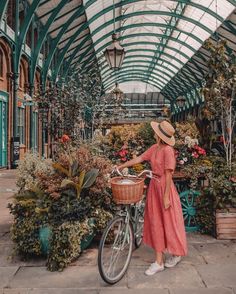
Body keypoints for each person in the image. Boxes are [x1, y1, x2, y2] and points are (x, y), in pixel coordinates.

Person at [117, 120, 187, 276]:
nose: (154, 133)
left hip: (164, 188)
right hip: (154, 187)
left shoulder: (168, 150)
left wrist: (166, 196)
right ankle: (159, 261)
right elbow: (140, 159)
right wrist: (121, 166)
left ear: (159, 135)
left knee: (168, 223)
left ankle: (171, 255)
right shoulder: (155, 148)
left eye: (156, 132)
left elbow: (169, 175)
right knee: (156, 223)